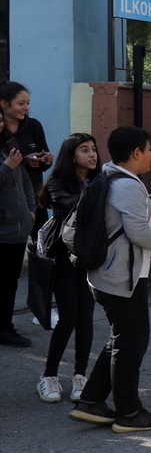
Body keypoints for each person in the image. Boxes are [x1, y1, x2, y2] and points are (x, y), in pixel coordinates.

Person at [69, 126, 151, 432]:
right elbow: (139, 233)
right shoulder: (128, 185)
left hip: (107, 274)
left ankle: (91, 401)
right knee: (132, 343)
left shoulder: (109, 174)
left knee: (122, 338)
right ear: (136, 153)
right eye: (149, 150)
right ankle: (130, 413)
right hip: (120, 278)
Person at [35, 134, 102, 402]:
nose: (92, 154)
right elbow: (67, 203)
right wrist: (99, 200)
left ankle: (80, 376)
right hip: (64, 257)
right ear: (71, 155)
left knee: (86, 316)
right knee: (69, 316)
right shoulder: (57, 182)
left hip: (90, 257)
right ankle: (49, 376)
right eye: (84, 150)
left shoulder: (99, 180)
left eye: (94, 149)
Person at [1, 81, 53, 236]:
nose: (26, 108)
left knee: (40, 245)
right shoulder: (1, 130)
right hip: (7, 199)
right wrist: (24, 160)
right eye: (21, 103)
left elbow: (44, 161)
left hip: (34, 196)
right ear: (4, 104)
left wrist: (44, 160)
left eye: (27, 103)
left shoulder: (33, 126)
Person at [0, 120, 35, 348]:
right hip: (2, 230)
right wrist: (6, 167)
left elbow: (25, 183)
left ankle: (5, 326)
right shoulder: (7, 158)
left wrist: (31, 211)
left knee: (9, 281)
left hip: (18, 229)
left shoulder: (7, 147)